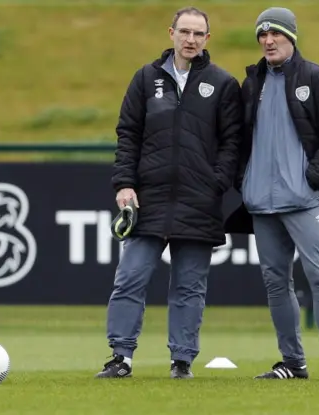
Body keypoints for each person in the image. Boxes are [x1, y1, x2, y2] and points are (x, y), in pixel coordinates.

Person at [95, 6, 243, 379]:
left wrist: (216, 182)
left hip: (199, 202)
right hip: (149, 199)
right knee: (130, 279)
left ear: (207, 39)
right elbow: (128, 134)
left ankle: (182, 361)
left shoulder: (222, 84)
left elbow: (233, 143)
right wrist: (125, 183)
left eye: (198, 34)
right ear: (171, 33)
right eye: (185, 32)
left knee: (189, 289)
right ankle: (121, 357)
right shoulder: (146, 79)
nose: (190, 40)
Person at [224, 7, 319, 381]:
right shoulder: (251, 84)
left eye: (276, 35)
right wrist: (244, 180)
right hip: (261, 204)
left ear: (291, 38)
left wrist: (311, 177)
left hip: (304, 200)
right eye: (262, 36)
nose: (268, 41)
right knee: (275, 283)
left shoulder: (317, 78)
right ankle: (293, 363)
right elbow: (238, 140)